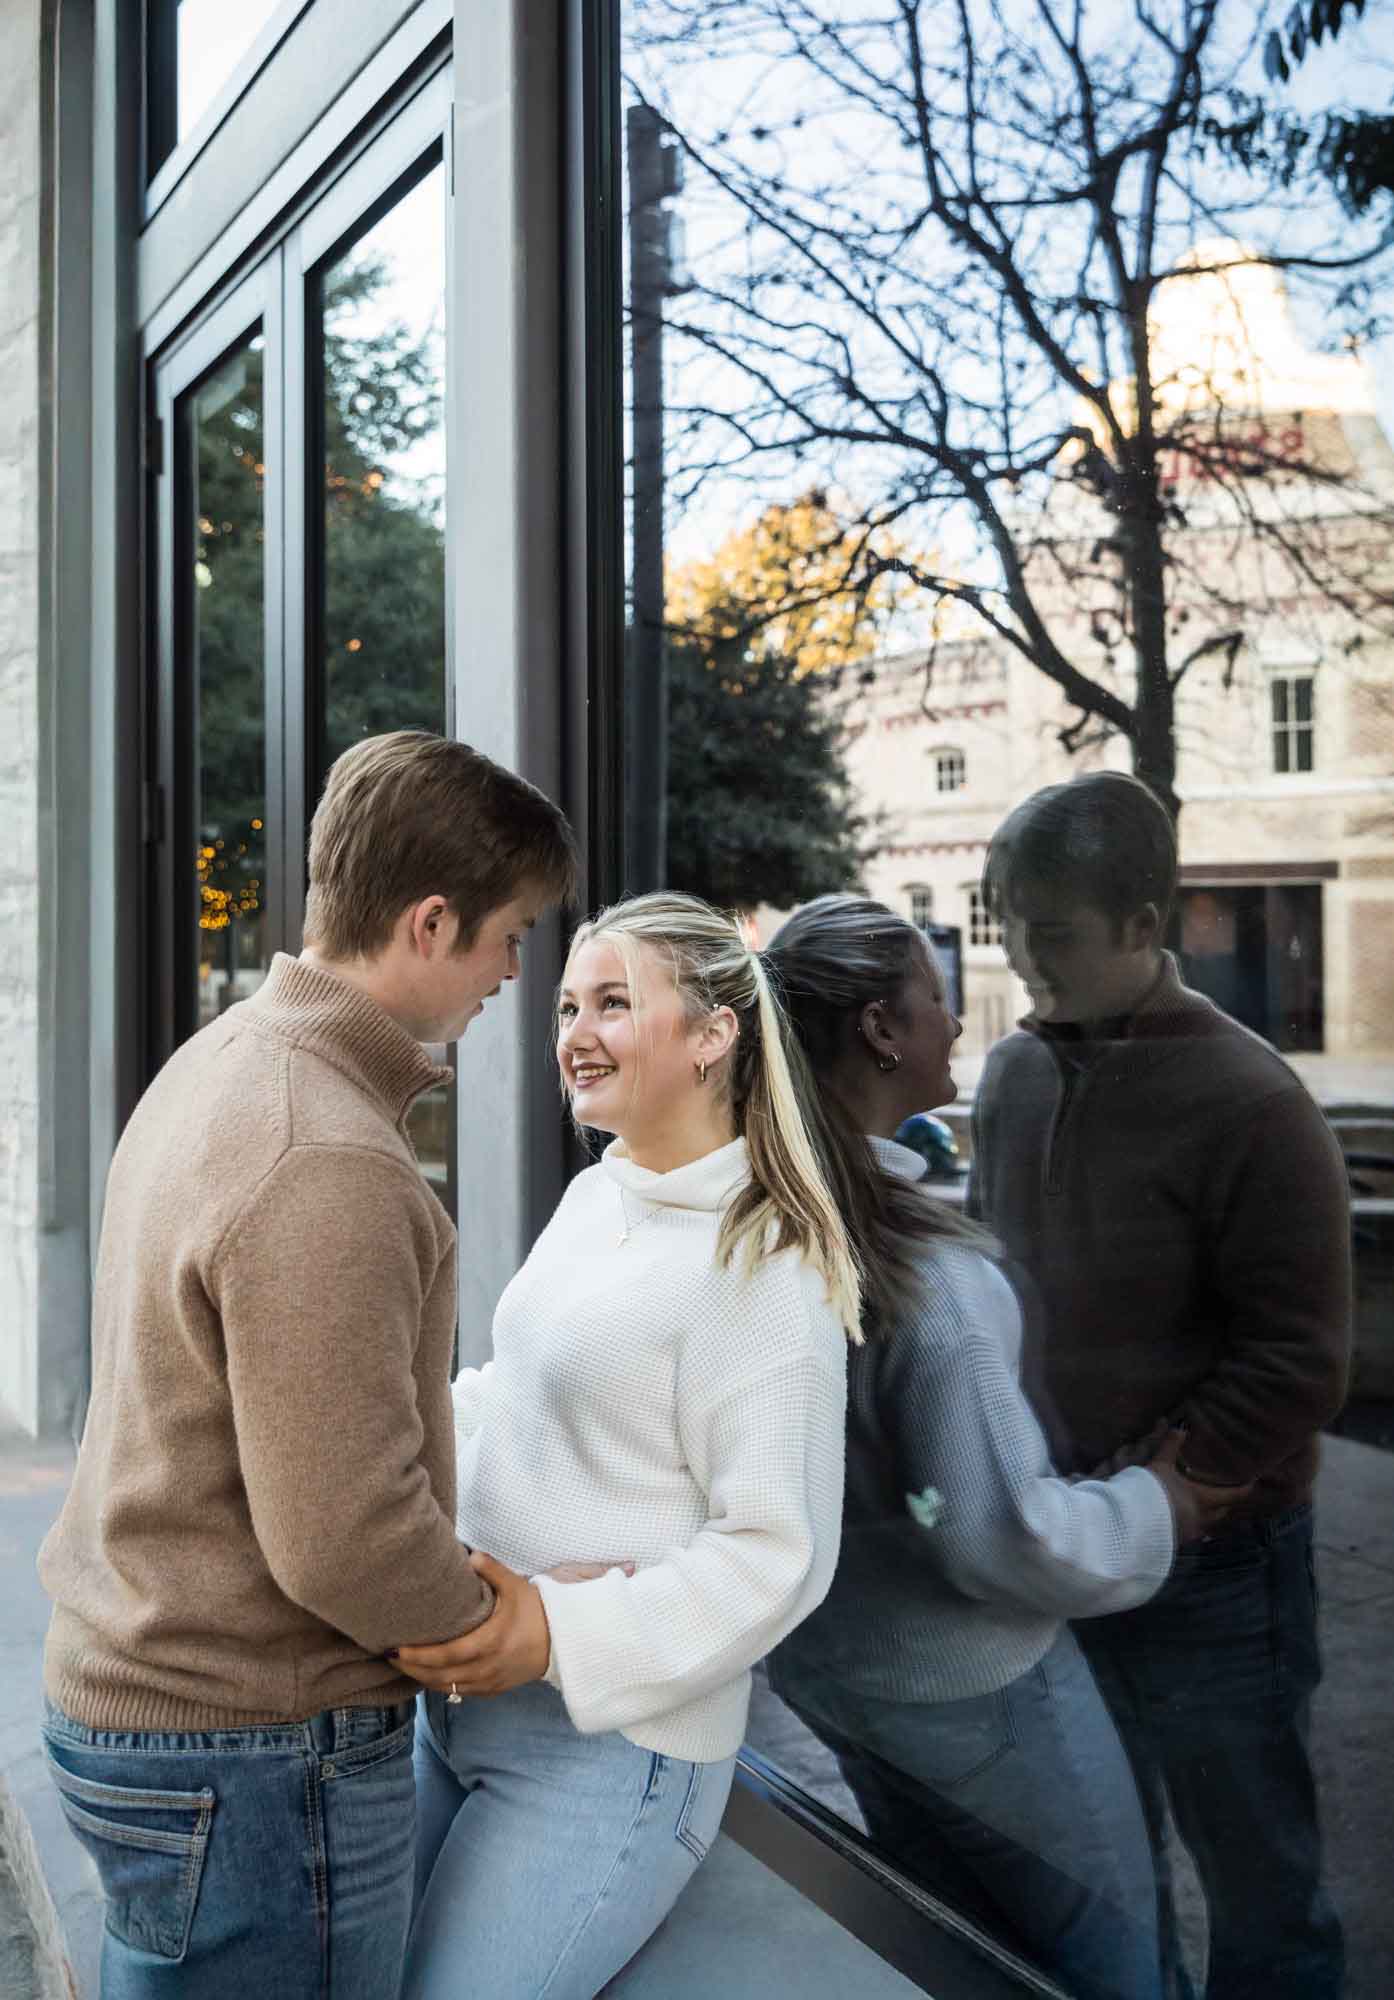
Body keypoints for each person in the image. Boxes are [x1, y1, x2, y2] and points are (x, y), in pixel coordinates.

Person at [38, 730, 578, 1999]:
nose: (517, 968)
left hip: (162, 1715)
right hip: (252, 1749)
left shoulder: (222, 1062)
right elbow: (342, 1532)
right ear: (431, 922)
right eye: (511, 931)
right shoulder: (323, 1152)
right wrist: (504, 1627)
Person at [762, 894, 1241, 2000]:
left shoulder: (774, 1219)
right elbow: (998, 1535)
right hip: (975, 1685)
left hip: (839, 1671)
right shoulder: (928, 1283)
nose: (954, 1021)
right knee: (1110, 1964)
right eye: (933, 998)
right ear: (881, 1028)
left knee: (955, 1952)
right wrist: (1155, 1502)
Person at [389, 891, 857, 2000]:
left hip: (608, 1759)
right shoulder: (603, 1192)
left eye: (611, 1002)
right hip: (460, 1710)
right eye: (564, 1005)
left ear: (710, 1033)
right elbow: (513, 1394)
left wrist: (553, 1627)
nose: (572, 1033)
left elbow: (775, 1557)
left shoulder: (764, 1270)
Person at [971, 771, 1352, 2000]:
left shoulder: (1253, 1100)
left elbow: (1298, 1358)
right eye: (1008, 922)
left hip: (1218, 1574)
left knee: (1260, 1889)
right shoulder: (1013, 1076)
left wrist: (1167, 1487)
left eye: (1056, 930)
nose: (1025, 955)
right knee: (1105, 1873)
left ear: (1147, 923)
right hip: (1058, 1556)